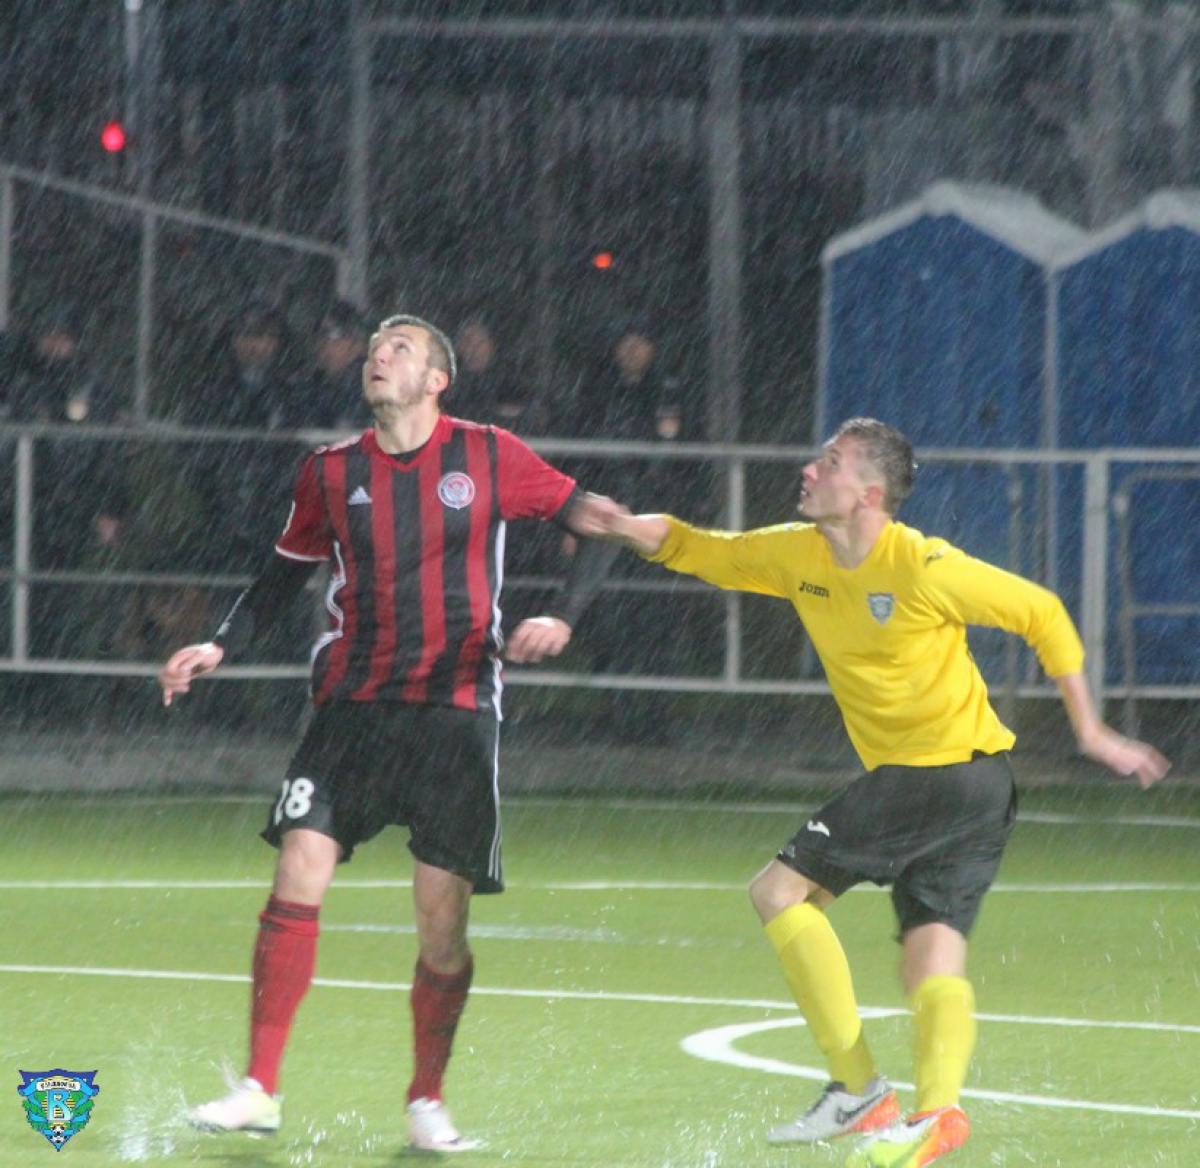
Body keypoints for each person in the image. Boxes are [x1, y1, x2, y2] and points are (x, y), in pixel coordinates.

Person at [593, 417, 1170, 1167]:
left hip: (937, 774)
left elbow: (1043, 613)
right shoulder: (799, 553)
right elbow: (706, 549)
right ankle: (937, 1115)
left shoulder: (923, 565)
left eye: (830, 462)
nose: (810, 469)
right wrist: (624, 526)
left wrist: (1091, 732)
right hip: (979, 787)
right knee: (928, 963)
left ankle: (860, 1091)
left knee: (778, 892)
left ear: (869, 494)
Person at [157, 313, 623, 1153]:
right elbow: (283, 573)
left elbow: (599, 525)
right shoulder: (331, 470)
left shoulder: (488, 454)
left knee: (441, 928)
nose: (379, 357)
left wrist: (563, 613)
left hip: (454, 714)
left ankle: (426, 1099)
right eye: (375, 348)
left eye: (399, 348)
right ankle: (259, 1088)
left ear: (437, 379)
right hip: (351, 709)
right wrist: (219, 642)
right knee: (299, 864)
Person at [282, 299, 369, 429]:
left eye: (335, 338)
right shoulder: (303, 385)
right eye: (321, 337)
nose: (325, 346)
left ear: (357, 344)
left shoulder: (375, 387)